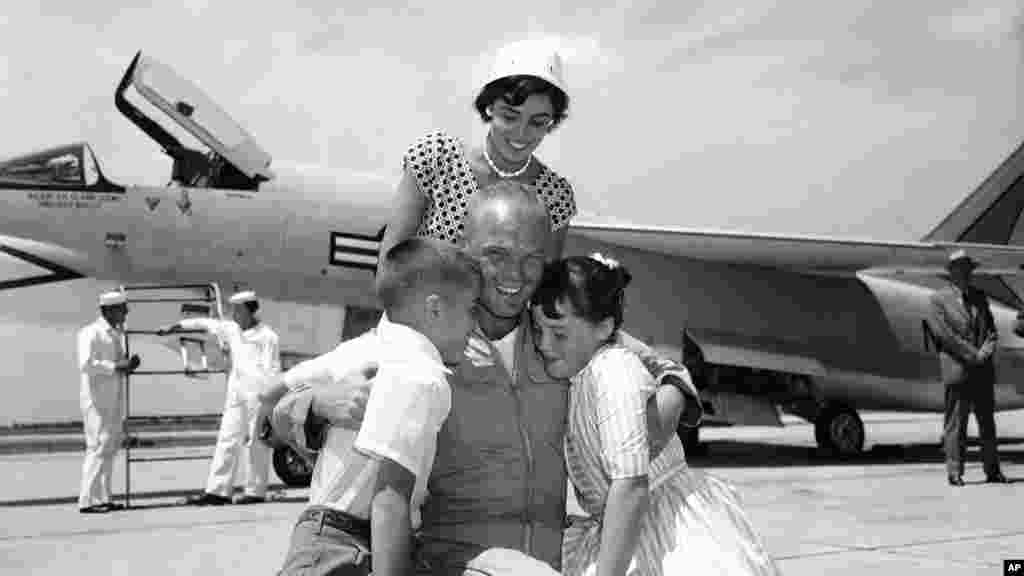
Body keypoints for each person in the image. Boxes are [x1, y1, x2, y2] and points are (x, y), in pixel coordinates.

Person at [268, 180, 700, 575]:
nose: (514, 276)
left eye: (532, 260)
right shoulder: (428, 337)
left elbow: (669, 369)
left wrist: (653, 424)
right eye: (496, 255)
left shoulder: (560, 334)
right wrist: (315, 404)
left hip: (549, 564)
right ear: (464, 248)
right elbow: (269, 410)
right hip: (455, 564)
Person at [532, 254, 780, 575]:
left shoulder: (612, 372)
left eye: (559, 334)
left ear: (604, 327)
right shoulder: (582, 372)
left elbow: (632, 487)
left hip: (665, 532)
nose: (543, 343)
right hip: (626, 525)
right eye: (537, 330)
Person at [276, 237, 481, 576]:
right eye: (471, 308)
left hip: (324, 540)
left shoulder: (369, 351)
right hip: (344, 546)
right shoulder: (422, 375)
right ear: (434, 309)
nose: (475, 324)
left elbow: (275, 397)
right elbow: (389, 500)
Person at [380, 38, 577, 268]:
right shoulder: (436, 158)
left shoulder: (554, 197)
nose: (521, 133)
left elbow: (542, 288)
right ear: (489, 107)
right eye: (509, 117)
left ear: (552, 122)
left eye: (537, 122)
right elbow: (389, 268)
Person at [160, 290, 282, 504]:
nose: (233, 314)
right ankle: (217, 491)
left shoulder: (268, 336)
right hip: (236, 394)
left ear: (248, 310)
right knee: (227, 439)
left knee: (257, 442)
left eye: (237, 310)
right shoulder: (232, 330)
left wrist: (271, 400)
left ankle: (255, 491)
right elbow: (204, 323)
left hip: (259, 396)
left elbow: (273, 370)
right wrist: (174, 327)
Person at [928, 249, 1007, 486]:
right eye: (960, 268)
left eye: (968, 269)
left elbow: (991, 331)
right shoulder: (938, 299)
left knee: (987, 424)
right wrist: (973, 354)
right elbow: (945, 335)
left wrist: (985, 351)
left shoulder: (979, 297)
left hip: (982, 371)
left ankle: (992, 470)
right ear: (951, 272)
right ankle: (955, 471)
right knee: (956, 424)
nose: (965, 273)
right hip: (958, 369)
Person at [77, 289, 141, 513]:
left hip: (114, 399)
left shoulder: (115, 335)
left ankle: (104, 498)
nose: (126, 313)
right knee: (97, 447)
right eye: (123, 309)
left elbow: (116, 367)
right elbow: (86, 364)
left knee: (109, 447)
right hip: (97, 401)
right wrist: (115, 366)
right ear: (110, 310)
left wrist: (127, 366)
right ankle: (88, 500)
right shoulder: (90, 332)